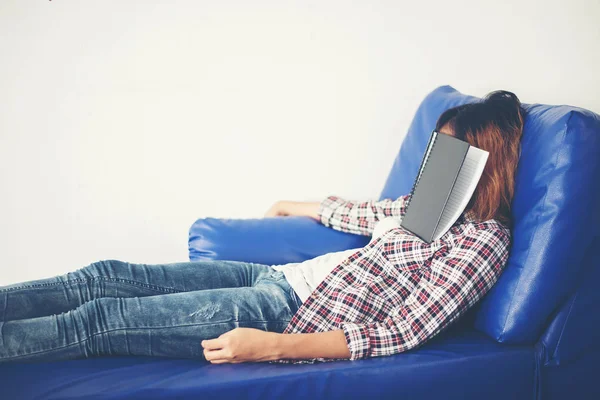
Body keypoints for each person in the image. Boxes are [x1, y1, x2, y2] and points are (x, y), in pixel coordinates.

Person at [0, 90, 524, 365]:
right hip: (274, 277)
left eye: (450, 150)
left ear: (483, 162)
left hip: (281, 313)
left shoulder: (482, 242)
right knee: (103, 275)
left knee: (100, 320)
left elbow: (401, 331)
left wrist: (270, 346)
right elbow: (368, 213)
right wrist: (292, 204)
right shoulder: (430, 206)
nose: (436, 161)